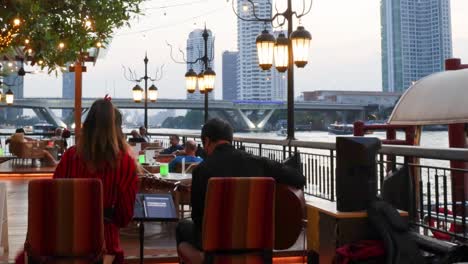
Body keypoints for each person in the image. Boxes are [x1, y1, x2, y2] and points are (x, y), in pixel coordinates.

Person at [175, 118, 305, 250]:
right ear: (230, 139)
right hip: (256, 239)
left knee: (182, 227)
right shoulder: (259, 163)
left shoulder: (201, 170)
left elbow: (197, 219)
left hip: (217, 242)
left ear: (207, 141)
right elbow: (299, 179)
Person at [51, 99, 138, 264]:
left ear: (87, 125)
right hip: (105, 247)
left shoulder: (70, 156)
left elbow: (54, 197)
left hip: (68, 242)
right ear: (116, 129)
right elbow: (124, 216)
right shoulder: (125, 162)